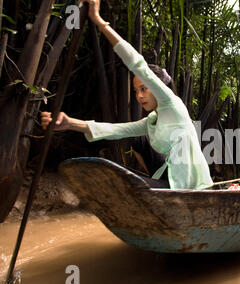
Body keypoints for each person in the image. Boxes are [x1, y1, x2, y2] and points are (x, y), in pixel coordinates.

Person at [41, 0, 213, 190]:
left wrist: (98, 21)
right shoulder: (151, 121)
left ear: (157, 87)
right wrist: (69, 123)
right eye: (135, 91)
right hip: (167, 173)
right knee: (136, 137)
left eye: (144, 89)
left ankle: (155, 188)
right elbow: (117, 130)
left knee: (127, 188)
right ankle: (153, 182)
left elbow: (137, 64)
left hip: (188, 185)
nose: (139, 96)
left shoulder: (173, 105)